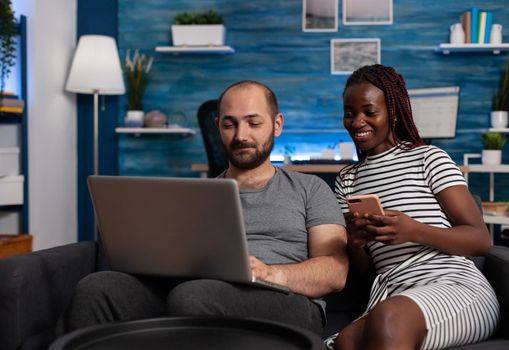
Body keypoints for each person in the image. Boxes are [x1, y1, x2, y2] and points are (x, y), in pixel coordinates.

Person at [58, 80, 348, 336]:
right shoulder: (195, 197)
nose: (240, 135)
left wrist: (271, 273)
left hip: (286, 300)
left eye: (253, 123)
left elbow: (335, 272)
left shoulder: (311, 189)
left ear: (277, 124)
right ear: (218, 127)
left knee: (194, 295)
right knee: (97, 289)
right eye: (229, 123)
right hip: (196, 291)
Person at [326, 65, 499, 350]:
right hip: (391, 293)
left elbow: (480, 240)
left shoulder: (429, 158)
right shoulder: (347, 180)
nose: (357, 122)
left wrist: (413, 231)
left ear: (393, 111)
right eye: (349, 113)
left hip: (454, 285)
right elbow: (362, 271)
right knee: (346, 342)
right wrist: (355, 244)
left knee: (389, 318)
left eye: (370, 112)